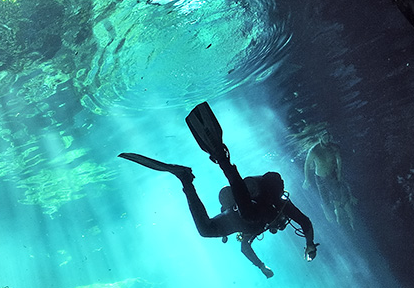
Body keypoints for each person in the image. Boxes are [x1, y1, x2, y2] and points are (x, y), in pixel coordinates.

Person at [120, 102, 318, 278]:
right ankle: (222, 158)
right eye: (281, 225)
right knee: (248, 216)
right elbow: (305, 221)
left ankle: (185, 180)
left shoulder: (260, 224)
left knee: (206, 231)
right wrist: (309, 244)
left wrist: (262, 267)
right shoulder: (282, 206)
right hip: (242, 214)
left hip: (236, 217)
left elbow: (245, 248)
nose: (278, 227)